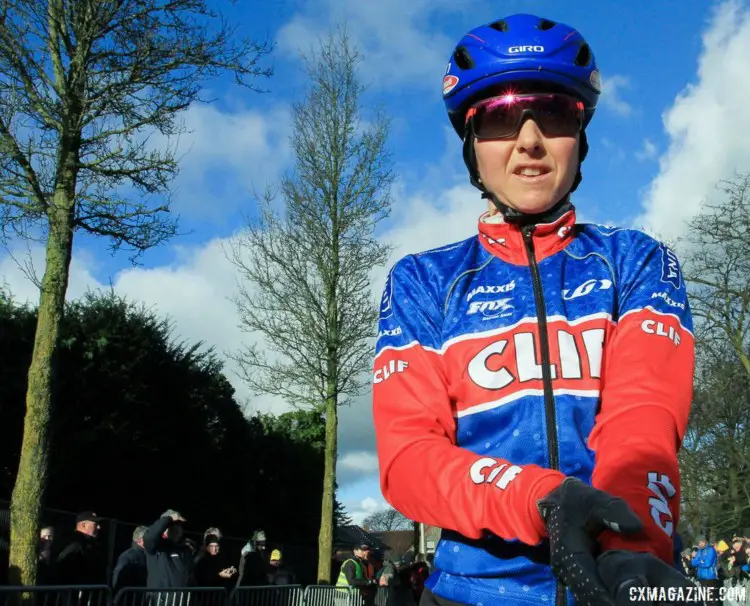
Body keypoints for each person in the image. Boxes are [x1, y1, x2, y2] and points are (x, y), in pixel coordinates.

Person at [372, 12, 697, 606]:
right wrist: (542, 500)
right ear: (472, 145)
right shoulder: (420, 281)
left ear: (581, 135)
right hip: (469, 593)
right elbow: (410, 457)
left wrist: (632, 542)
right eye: (498, 117)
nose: (528, 139)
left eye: (551, 112)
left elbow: (644, 418)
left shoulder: (635, 262)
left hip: (623, 576)